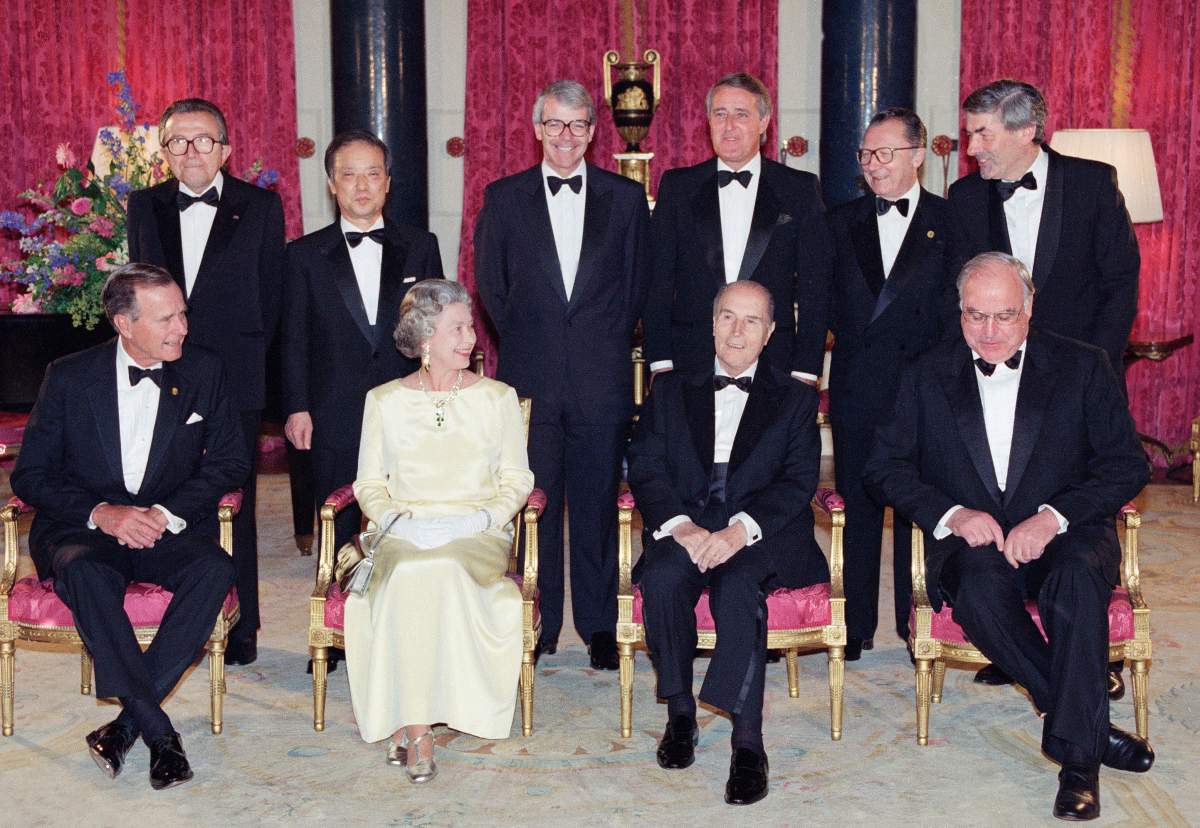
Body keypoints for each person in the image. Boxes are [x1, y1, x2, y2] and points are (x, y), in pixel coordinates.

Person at [863, 253, 1153, 821]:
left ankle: (1077, 768)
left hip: (1065, 533)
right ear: (960, 311)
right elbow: (885, 467)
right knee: (976, 591)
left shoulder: (1084, 365)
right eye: (975, 316)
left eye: (1004, 316)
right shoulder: (926, 372)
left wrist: (1052, 517)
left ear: (1029, 309)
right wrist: (952, 513)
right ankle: (1083, 726)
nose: (989, 332)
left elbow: (1126, 466)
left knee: (1074, 580)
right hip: (974, 545)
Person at [11, 263, 248, 790]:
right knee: (86, 572)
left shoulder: (203, 370)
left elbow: (230, 461)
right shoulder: (70, 375)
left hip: (165, 525)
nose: (181, 328)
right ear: (123, 323)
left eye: (182, 314)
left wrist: (162, 515)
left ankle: (123, 727)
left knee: (214, 568)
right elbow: (32, 474)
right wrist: (104, 513)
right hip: (85, 528)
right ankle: (159, 732)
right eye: (165, 319)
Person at [950, 79, 1140, 692]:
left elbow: (1119, 285)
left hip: (1074, 386)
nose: (972, 146)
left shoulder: (1092, 184)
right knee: (1001, 509)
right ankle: (1023, 650)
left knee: (1070, 525)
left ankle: (1077, 646)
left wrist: (1097, 373)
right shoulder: (963, 197)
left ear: (1027, 129)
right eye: (971, 131)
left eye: (984, 133)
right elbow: (953, 301)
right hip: (995, 378)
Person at [628, 280, 829, 806]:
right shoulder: (671, 390)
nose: (738, 331)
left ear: (770, 333)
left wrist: (740, 531)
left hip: (762, 531)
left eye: (752, 321)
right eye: (728, 318)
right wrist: (683, 527)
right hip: (689, 525)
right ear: (711, 322)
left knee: (739, 586)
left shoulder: (794, 398)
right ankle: (680, 712)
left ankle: (748, 744)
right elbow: (646, 467)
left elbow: (797, 482)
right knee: (664, 577)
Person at [474, 79, 650, 669]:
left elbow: (635, 289)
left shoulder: (625, 201)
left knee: (599, 504)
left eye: (577, 125)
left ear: (594, 132)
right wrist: (535, 341)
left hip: (602, 380)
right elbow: (491, 291)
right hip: (531, 377)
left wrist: (597, 343)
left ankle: (600, 626)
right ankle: (539, 620)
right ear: (537, 129)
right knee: (535, 505)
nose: (566, 136)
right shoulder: (503, 198)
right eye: (555, 124)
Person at [344, 279, 534, 783]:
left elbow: (518, 479)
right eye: (457, 328)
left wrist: (479, 519)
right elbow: (369, 483)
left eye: (470, 326)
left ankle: (412, 729)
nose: (471, 337)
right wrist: (394, 520)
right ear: (425, 337)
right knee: (413, 568)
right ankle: (417, 724)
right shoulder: (383, 401)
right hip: (404, 529)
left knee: (442, 563)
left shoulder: (497, 397)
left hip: (479, 532)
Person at [128, 97, 286, 665]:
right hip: (164, 372)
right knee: (165, 491)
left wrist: (246, 366)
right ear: (164, 151)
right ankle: (176, 619)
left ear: (225, 148)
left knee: (234, 503)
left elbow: (272, 300)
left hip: (235, 378)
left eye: (203, 141)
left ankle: (240, 628)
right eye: (178, 142)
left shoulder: (262, 207)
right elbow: (136, 292)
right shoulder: (142, 205)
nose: (191, 152)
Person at [826, 107, 965, 658]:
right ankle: (857, 626)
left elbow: (960, 312)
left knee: (923, 511)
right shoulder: (839, 221)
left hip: (925, 391)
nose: (873, 166)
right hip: (859, 384)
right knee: (859, 508)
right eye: (865, 155)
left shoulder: (952, 222)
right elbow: (825, 303)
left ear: (917, 156)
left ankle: (921, 624)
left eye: (884, 153)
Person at [282, 130, 442, 556]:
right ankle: (342, 607)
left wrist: (437, 398)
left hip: (407, 403)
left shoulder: (421, 246)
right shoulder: (303, 255)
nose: (362, 185)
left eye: (372, 174)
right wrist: (296, 406)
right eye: (349, 175)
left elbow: (437, 330)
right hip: (332, 407)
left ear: (388, 181)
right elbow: (293, 337)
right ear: (332, 183)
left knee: (411, 512)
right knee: (340, 519)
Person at [644, 72, 833, 384]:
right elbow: (658, 281)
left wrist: (806, 370)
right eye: (720, 114)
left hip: (776, 364)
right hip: (690, 362)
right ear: (708, 122)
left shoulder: (798, 190)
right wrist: (660, 362)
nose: (729, 125)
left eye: (741, 114)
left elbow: (817, 287)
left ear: (763, 122)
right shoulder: (678, 187)